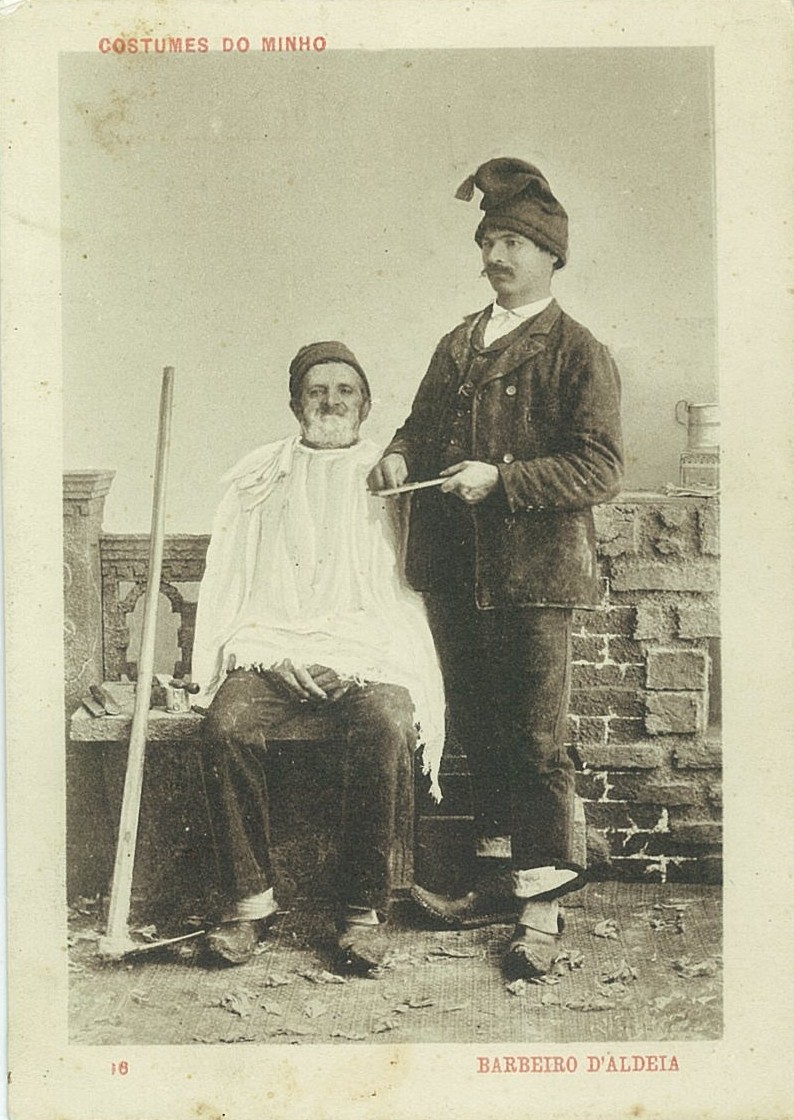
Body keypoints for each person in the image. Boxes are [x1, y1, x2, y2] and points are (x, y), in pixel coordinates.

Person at [368, 158, 624, 979]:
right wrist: (398, 455)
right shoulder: (458, 343)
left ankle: (541, 905)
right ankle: (493, 882)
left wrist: (503, 480)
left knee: (537, 741)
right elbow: (416, 428)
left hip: (533, 579)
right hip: (454, 573)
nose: (495, 256)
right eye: (488, 241)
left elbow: (598, 468)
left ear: (551, 255)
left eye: (512, 241)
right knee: (477, 732)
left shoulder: (578, 351)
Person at [190, 340, 445, 974]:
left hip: (370, 651)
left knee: (387, 723)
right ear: (295, 403)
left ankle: (361, 911)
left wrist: (354, 660)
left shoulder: (392, 478)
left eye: (345, 391)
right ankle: (249, 903)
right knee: (226, 727)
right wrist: (276, 657)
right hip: (274, 646)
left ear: (366, 404)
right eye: (317, 391)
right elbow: (235, 588)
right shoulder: (261, 478)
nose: (331, 402)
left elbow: (399, 595)